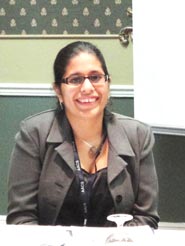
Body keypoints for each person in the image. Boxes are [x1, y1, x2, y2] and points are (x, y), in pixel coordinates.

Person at [7, 41, 160, 228]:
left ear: (108, 83)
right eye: (75, 79)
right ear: (58, 91)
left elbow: (146, 218)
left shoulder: (138, 135)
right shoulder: (34, 134)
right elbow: (21, 219)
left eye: (95, 77)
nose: (87, 87)